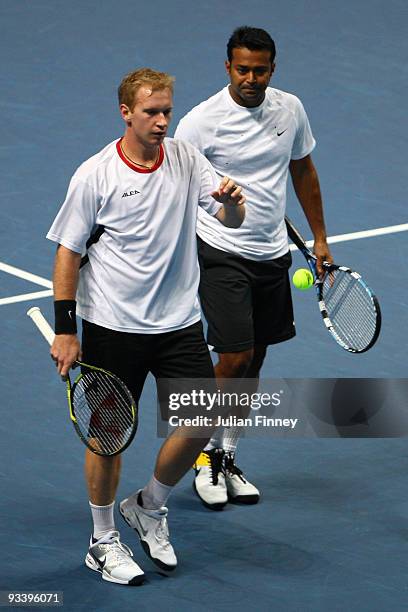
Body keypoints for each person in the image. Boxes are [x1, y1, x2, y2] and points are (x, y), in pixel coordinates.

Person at [47, 67, 245, 585]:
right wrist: (66, 328)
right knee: (109, 438)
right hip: (113, 325)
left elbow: (228, 220)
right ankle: (103, 539)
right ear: (126, 113)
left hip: (178, 321)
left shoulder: (183, 156)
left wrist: (231, 207)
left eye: (167, 112)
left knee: (205, 415)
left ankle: (150, 506)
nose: (161, 121)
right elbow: (68, 251)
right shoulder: (94, 175)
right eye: (151, 112)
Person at [174, 26, 333, 510]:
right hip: (221, 250)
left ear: (272, 68)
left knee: (256, 360)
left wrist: (320, 237)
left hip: (272, 254)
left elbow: (302, 169)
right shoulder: (201, 122)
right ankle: (201, 456)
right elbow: (175, 190)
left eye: (259, 70)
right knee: (236, 358)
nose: (250, 78)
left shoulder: (290, 109)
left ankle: (226, 455)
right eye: (241, 69)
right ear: (227, 68)